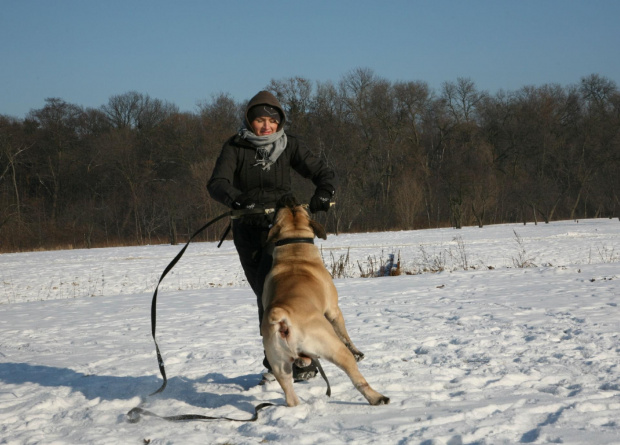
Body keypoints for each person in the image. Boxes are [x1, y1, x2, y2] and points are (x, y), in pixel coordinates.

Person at [207, 90, 337, 382]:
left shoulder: (290, 145)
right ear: (249, 121)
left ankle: (305, 358)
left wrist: (324, 193)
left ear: (280, 122)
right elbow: (217, 183)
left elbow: (322, 172)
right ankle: (279, 362)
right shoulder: (235, 147)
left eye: (272, 120)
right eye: (259, 120)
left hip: (287, 231)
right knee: (266, 298)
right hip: (251, 231)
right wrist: (239, 201)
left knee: (298, 293)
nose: (266, 126)